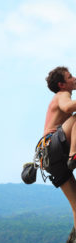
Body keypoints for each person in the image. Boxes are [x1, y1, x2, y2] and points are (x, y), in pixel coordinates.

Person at [44, 66, 76, 227]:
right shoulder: (63, 94)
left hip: (49, 158)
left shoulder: (60, 96)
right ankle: (73, 155)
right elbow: (68, 107)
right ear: (62, 84)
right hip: (54, 147)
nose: (74, 78)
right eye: (70, 77)